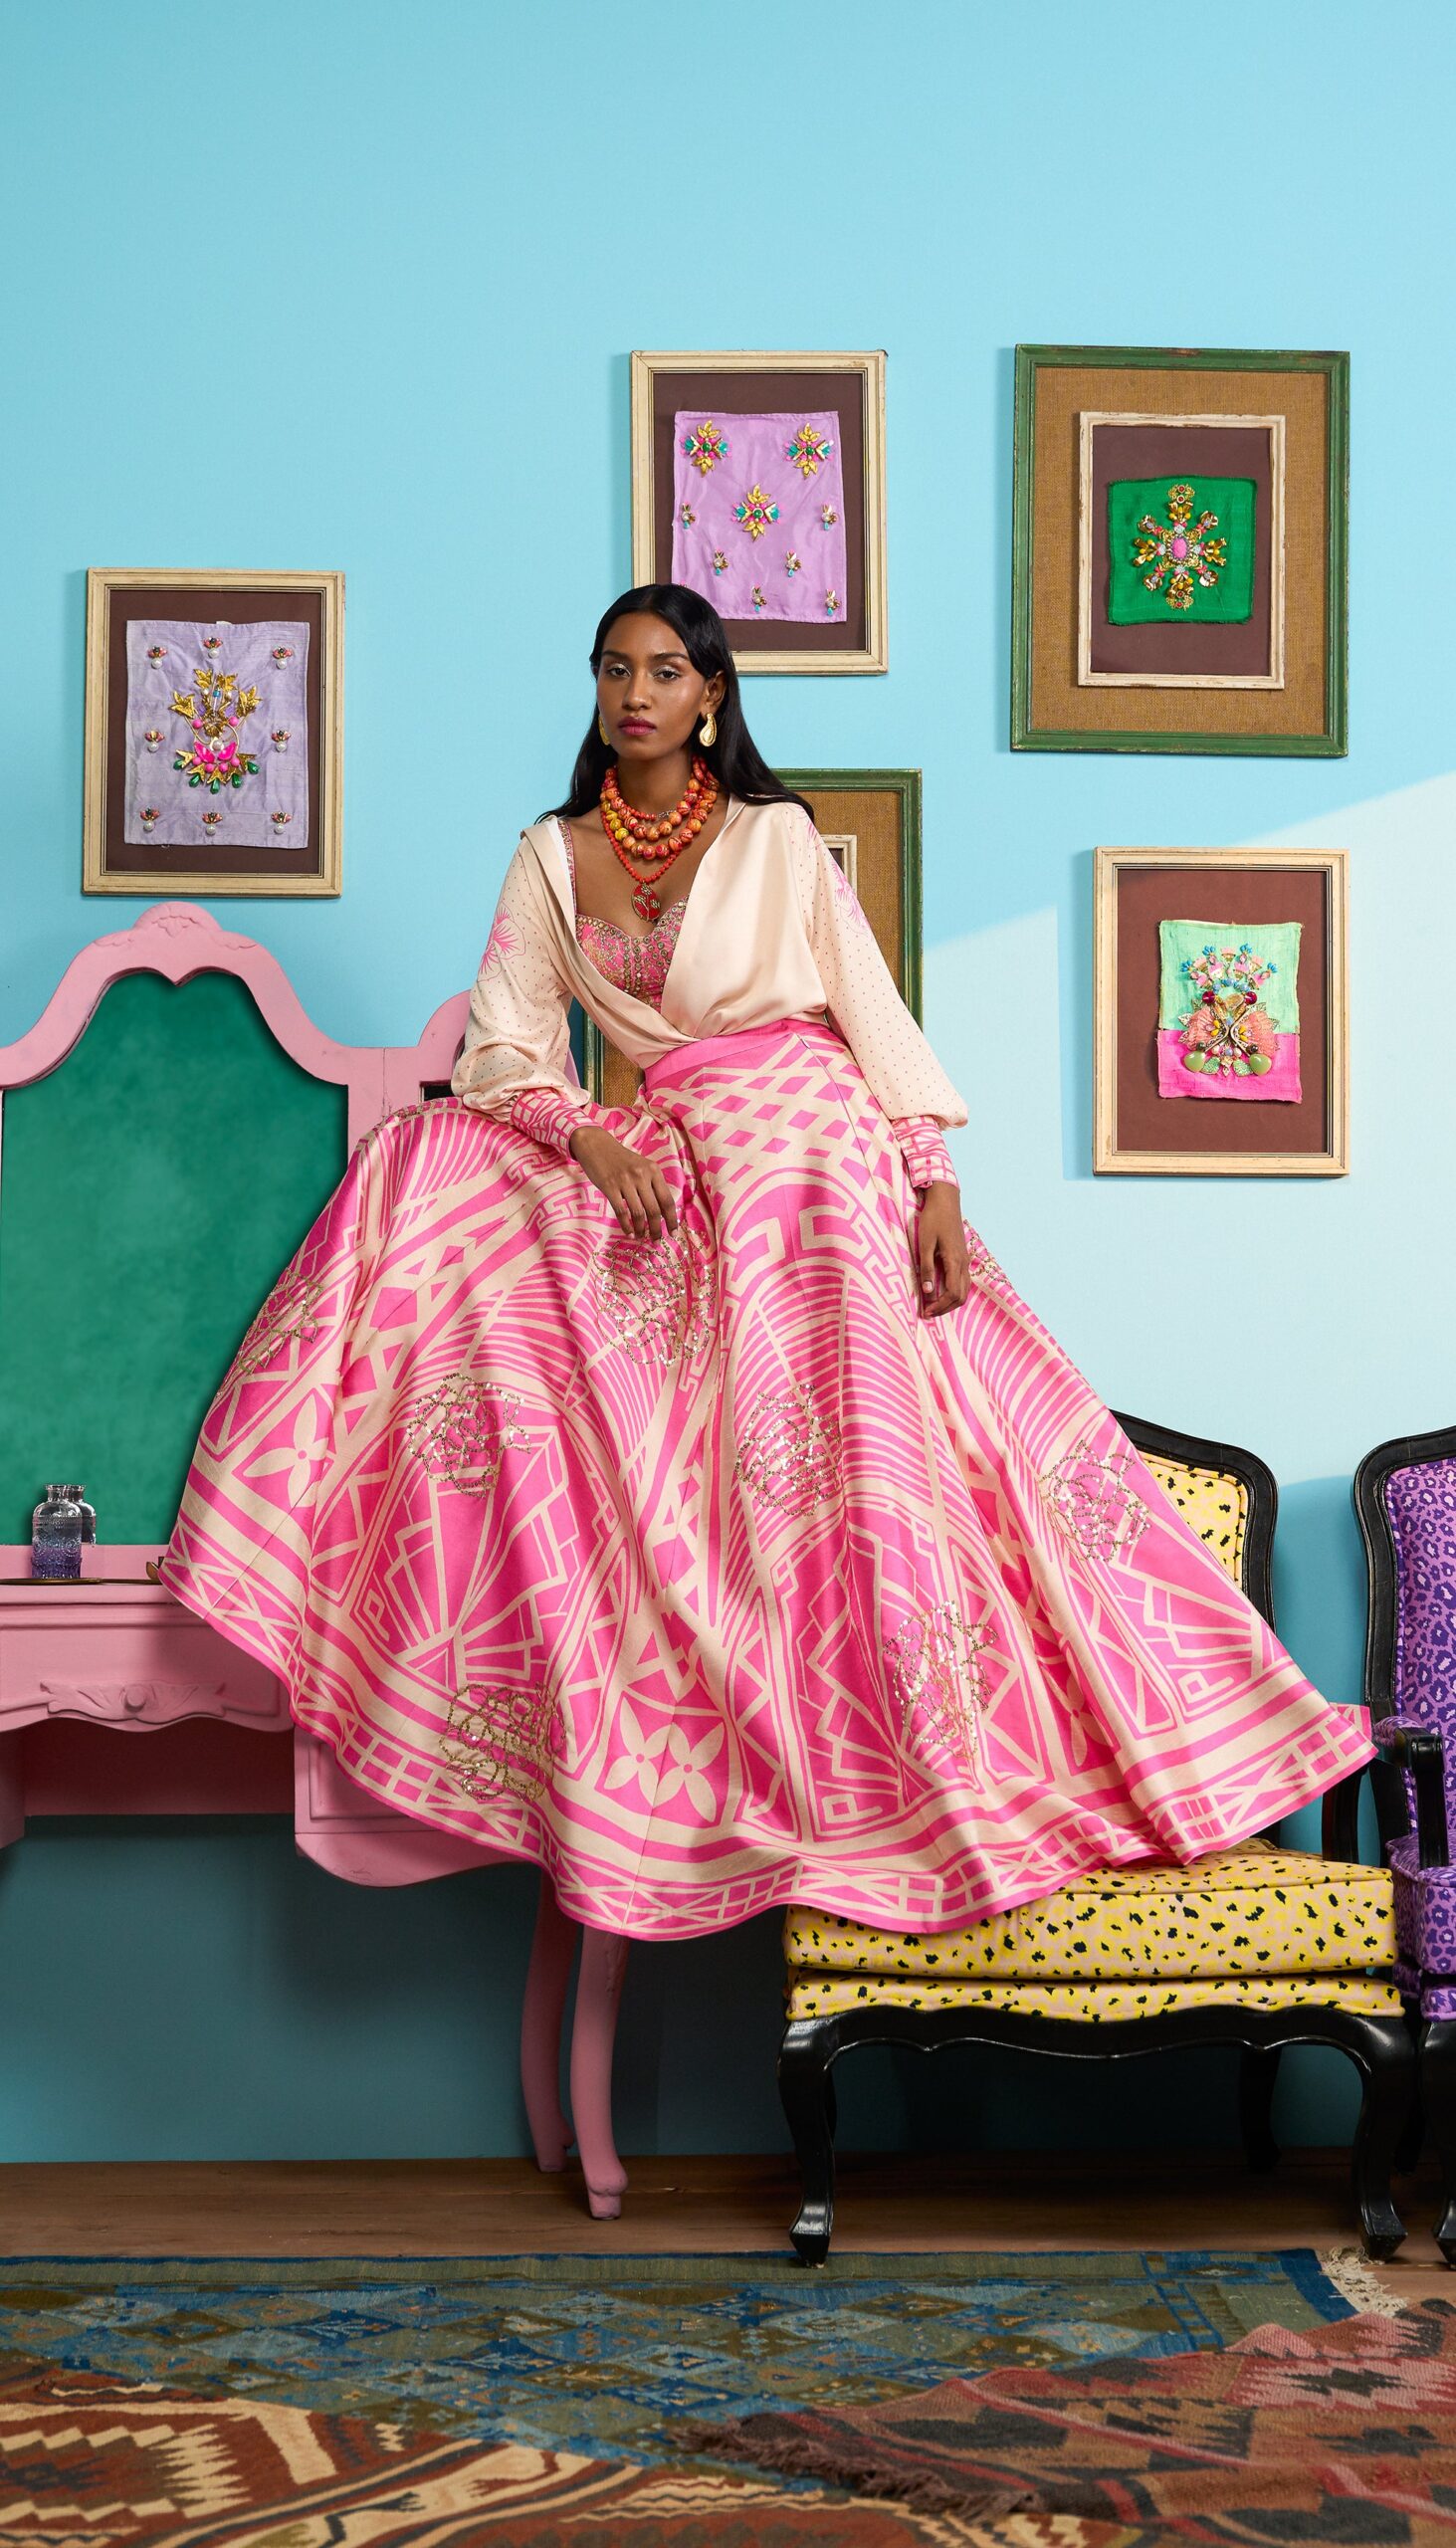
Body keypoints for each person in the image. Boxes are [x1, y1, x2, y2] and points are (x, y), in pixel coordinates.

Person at [161, 582, 1372, 2216]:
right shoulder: (551, 857)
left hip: (812, 1156)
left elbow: (867, 1014)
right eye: (614, 668)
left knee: (881, 1467)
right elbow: (508, 1047)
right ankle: (628, 1656)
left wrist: (930, 1181)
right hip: (669, 1152)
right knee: (433, 1158)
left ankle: (925, 1748)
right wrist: (586, 1132)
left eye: (666, 671)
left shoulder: (778, 842)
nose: (636, 693)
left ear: (713, 697)